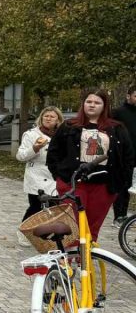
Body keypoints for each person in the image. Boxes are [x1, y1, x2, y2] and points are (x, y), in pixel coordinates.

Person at [47, 89, 135, 240]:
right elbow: (54, 153)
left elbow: (128, 157)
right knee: (74, 226)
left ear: (104, 105)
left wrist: (121, 183)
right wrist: (60, 178)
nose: (92, 105)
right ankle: (73, 257)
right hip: (74, 184)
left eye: (97, 102)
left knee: (92, 228)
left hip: (104, 186)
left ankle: (87, 259)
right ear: (83, 104)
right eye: (89, 102)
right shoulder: (69, 126)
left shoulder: (117, 128)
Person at [16, 107, 63, 245]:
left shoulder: (62, 135)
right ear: (41, 118)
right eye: (46, 116)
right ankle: (24, 231)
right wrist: (35, 148)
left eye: (52, 117)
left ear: (58, 120)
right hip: (36, 175)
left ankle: (46, 233)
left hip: (55, 175)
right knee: (35, 206)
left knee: (55, 206)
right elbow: (21, 156)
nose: (48, 119)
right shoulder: (31, 134)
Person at [112, 85, 136, 224]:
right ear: (128, 96)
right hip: (123, 157)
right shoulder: (117, 113)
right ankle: (119, 216)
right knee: (123, 187)